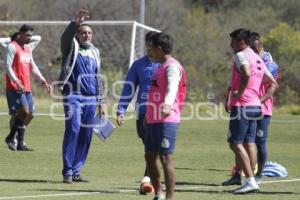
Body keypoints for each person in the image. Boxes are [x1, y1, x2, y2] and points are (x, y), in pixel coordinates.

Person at [224, 28, 277, 194]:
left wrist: (239, 92)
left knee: (235, 143)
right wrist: (259, 99)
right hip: (255, 106)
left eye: (232, 42)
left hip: (243, 106)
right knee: (250, 143)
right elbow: (273, 83)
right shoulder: (257, 58)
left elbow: (246, 73)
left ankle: (250, 180)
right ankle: (253, 179)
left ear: (241, 42)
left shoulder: (241, 55)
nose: (230, 45)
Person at [58, 9, 106, 184]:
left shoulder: (95, 52)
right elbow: (65, 40)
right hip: (73, 96)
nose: (86, 35)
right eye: (83, 32)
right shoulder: (72, 47)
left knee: (86, 134)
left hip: (91, 99)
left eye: (89, 33)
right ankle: (67, 171)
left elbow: (98, 77)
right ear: (77, 34)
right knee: (74, 129)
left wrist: (102, 101)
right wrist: (74, 23)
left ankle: (77, 171)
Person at [144, 32, 187, 200]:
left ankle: (170, 197)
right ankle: (158, 193)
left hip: (167, 118)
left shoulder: (172, 67)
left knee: (165, 157)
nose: (150, 50)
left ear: (160, 48)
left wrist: (168, 105)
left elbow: (172, 87)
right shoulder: (159, 66)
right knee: (149, 156)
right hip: (154, 118)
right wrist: (149, 115)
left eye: (152, 47)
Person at [116, 31, 158, 195]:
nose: (150, 47)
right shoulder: (138, 65)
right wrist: (121, 110)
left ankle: (147, 181)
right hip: (142, 114)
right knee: (150, 149)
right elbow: (129, 88)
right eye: (148, 44)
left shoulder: (166, 65)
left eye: (153, 44)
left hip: (160, 115)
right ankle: (150, 180)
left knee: (155, 148)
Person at [4, 24, 51, 151]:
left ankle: (19, 143)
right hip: (15, 87)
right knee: (23, 111)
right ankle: (11, 138)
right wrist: (16, 81)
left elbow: (33, 66)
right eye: (27, 35)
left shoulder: (27, 49)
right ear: (20, 33)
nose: (30, 38)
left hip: (26, 87)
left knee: (29, 114)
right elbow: (7, 67)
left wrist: (43, 80)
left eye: (31, 35)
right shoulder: (11, 47)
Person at [250, 32, 279, 184]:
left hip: (263, 108)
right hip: (247, 105)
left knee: (260, 141)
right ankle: (242, 172)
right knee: (243, 140)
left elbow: (270, 85)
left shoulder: (270, 63)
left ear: (258, 46)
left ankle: (259, 174)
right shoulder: (250, 59)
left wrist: (259, 101)